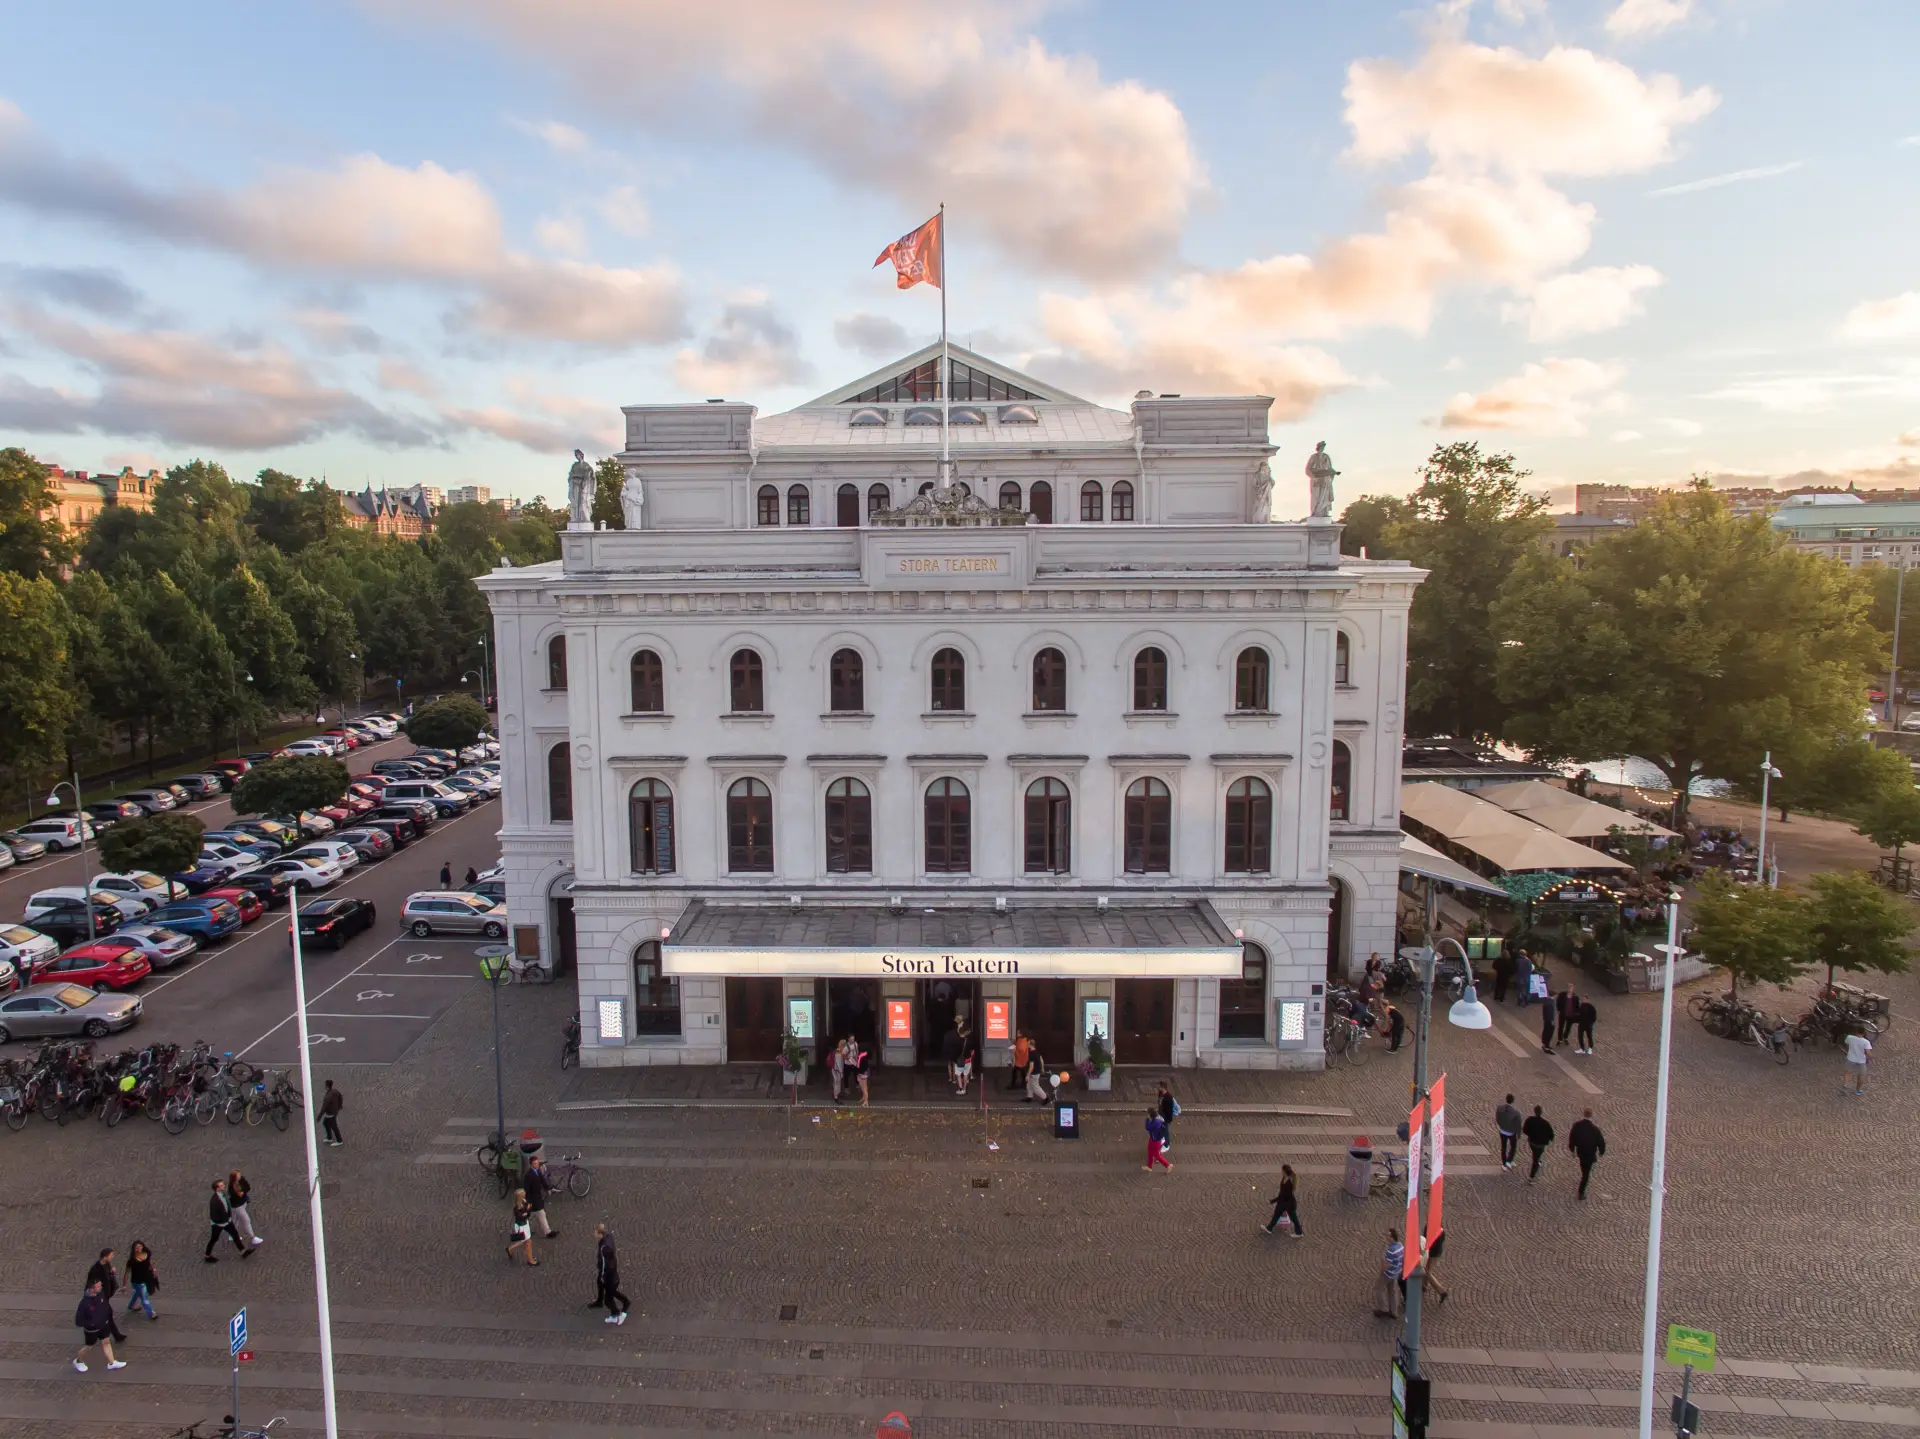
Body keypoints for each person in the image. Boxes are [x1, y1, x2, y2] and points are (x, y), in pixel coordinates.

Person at [73, 1281, 124, 1373]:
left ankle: (111, 1363)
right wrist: (92, 1324)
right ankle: (78, 1361)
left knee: (106, 1342)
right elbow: (78, 1321)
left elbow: (105, 1305)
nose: (101, 1287)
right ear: (92, 1289)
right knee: (89, 1347)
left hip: (103, 1325)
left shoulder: (100, 1294)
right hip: (92, 1330)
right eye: (98, 1286)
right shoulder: (85, 1303)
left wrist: (107, 1317)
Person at [85, 1248, 128, 1343]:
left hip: (106, 1295)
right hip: (100, 1297)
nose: (112, 1257)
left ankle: (112, 1335)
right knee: (108, 1314)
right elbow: (90, 1285)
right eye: (111, 1255)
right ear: (105, 1256)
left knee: (107, 1314)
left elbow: (108, 1278)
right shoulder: (95, 1269)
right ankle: (114, 1335)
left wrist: (112, 1273)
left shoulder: (107, 1265)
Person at [204, 1179, 249, 1263]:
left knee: (235, 1235)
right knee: (214, 1239)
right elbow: (214, 1215)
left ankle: (243, 1251)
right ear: (217, 1188)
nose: (224, 1186)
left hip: (227, 1221)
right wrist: (223, 1221)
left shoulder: (222, 1195)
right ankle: (207, 1255)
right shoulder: (214, 1201)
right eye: (221, 1185)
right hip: (219, 1224)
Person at [1568, 1108, 1607, 1200]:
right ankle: (1581, 1192)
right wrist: (1601, 1152)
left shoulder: (1576, 1126)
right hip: (1590, 1154)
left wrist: (1572, 1150)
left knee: (1584, 1168)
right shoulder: (1595, 1130)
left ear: (1584, 1114)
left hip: (1581, 1152)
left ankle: (1583, 1180)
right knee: (1586, 1174)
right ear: (1591, 1116)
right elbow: (1601, 1142)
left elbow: (1572, 1138)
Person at [595, 1224, 630, 1325]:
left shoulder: (605, 1248)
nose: (594, 1234)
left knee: (608, 1298)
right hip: (612, 1275)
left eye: (596, 1233)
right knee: (612, 1293)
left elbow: (605, 1263)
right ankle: (619, 1309)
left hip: (609, 1276)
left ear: (600, 1234)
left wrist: (602, 1275)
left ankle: (617, 1313)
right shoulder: (608, 1236)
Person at [523, 1155, 559, 1240]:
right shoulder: (528, 1175)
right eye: (535, 1163)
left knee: (538, 1215)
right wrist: (526, 1199)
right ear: (531, 1165)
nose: (537, 1164)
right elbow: (526, 1189)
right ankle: (547, 1232)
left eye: (537, 1163)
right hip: (532, 1200)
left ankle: (546, 1232)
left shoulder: (537, 1171)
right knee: (534, 1215)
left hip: (537, 1199)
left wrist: (548, 1188)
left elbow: (543, 1181)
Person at [1371, 1230, 1405, 1318]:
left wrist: (1381, 1273)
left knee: (1378, 1289)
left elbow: (1387, 1264)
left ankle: (1383, 1309)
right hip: (1396, 1273)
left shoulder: (1391, 1250)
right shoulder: (1401, 1246)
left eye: (1388, 1236)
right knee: (1392, 1291)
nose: (1387, 1238)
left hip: (1388, 1274)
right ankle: (1394, 1312)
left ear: (1392, 1238)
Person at [1263, 1165, 1302, 1238]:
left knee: (1294, 1218)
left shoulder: (1289, 1183)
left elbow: (1284, 1195)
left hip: (1288, 1204)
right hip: (1284, 1202)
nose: (1281, 1172)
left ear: (1284, 1171)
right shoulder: (1285, 1178)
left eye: (1282, 1170)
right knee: (1277, 1215)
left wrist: (1273, 1200)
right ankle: (1269, 1228)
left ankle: (1299, 1232)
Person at [228, 1170, 263, 1250]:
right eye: (238, 1175)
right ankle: (253, 1237)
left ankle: (232, 1235)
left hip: (240, 1204)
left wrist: (243, 1182)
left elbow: (247, 1188)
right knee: (246, 1220)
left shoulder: (238, 1183)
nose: (240, 1175)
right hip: (238, 1206)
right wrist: (244, 1187)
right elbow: (242, 1193)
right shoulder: (234, 1187)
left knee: (235, 1220)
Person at [125, 1241, 158, 1321]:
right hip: (137, 1282)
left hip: (145, 1279)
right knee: (144, 1298)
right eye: (136, 1247)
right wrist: (124, 1285)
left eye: (140, 1246)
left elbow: (149, 1262)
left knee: (137, 1293)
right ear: (134, 1249)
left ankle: (131, 1306)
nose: (139, 1249)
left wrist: (153, 1270)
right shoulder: (131, 1261)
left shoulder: (147, 1254)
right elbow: (126, 1273)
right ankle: (151, 1313)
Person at [1521, 1105, 1555, 1184]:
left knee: (1536, 1154)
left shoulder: (1529, 1120)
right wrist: (1550, 1139)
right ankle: (1531, 1177)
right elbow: (1551, 1135)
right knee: (1536, 1159)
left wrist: (1530, 1135)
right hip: (1540, 1144)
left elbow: (1525, 1130)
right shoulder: (1545, 1123)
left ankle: (1537, 1160)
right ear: (1541, 1112)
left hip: (1532, 1142)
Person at [506, 1189, 537, 1266]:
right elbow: (522, 1217)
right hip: (521, 1226)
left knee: (524, 1241)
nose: (525, 1193)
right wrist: (527, 1210)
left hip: (525, 1224)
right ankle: (530, 1260)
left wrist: (527, 1211)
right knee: (528, 1242)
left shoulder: (524, 1201)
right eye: (523, 1193)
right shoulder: (516, 1208)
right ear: (520, 1196)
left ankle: (510, 1249)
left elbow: (527, 1213)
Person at [1494, 1094, 1523, 1172]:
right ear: (1513, 1101)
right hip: (1511, 1133)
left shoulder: (1499, 1108)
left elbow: (1497, 1118)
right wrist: (1519, 1134)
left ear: (1506, 1099)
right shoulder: (1516, 1113)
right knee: (1513, 1147)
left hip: (1502, 1131)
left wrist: (1500, 1125)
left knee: (1503, 1148)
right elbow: (1518, 1125)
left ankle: (1504, 1164)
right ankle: (1509, 1161)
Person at [1421, 1227, 1449, 1306]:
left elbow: (1425, 1241)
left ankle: (1442, 1291)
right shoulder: (1440, 1228)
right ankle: (1424, 1286)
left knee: (1427, 1272)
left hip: (1431, 1253)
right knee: (1426, 1269)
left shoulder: (1428, 1228)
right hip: (1437, 1253)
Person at [1843, 1031, 1873, 1095]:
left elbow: (1847, 1044)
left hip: (1850, 1058)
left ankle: (1845, 1086)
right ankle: (1858, 1090)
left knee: (1848, 1072)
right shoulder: (1866, 1042)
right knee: (1861, 1075)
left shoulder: (1849, 1037)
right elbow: (1868, 1052)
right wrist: (1870, 1057)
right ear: (1863, 1033)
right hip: (1861, 1061)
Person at [1143, 1107, 1173, 1172]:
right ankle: (1149, 1166)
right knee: (1150, 1151)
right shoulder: (1156, 1119)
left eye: (1148, 1114)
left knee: (1156, 1155)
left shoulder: (1156, 1122)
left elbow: (1148, 1127)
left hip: (1156, 1141)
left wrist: (1147, 1120)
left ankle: (1168, 1165)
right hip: (1153, 1138)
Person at [941, 1019, 964, 1094]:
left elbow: (944, 1043)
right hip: (954, 1051)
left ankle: (950, 1078)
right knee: (954, 1064)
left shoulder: (947, 1034)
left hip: (948, 1050)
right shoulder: (957, 1034)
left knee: (949, 1064)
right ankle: (954, 1078)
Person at [319, 1079, 344, 1145]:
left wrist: (319, 1117)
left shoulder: (328, 1097)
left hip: (330, 1113)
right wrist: (340, 1106)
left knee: (333, 1126)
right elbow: (340, 1097)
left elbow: (324, 1108)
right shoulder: (335, 1091)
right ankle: (329, 1138)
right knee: (326, 1123)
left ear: (327, 1086)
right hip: (335, 1111)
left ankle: (339, 1140)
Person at [955, 1022, 976, 1096]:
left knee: (958, 1074)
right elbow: (972, 1050)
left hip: (959, 1061)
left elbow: (955, 1052)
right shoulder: (969, 1040)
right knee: (966, 1074)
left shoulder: (957, 1041)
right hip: (968, 1060)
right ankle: (964, 1088)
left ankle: (960, 1089)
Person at [1156, 1083, 1178, 1152]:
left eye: (1159, 1087)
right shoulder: (1161, 1094)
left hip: (1165, 1117)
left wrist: (1168, 1120)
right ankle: (1162, 1138)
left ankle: (1166, 1145)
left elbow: (1169, 1111)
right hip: (1161, 1115)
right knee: (1161, 1129)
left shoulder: (1168, 1098)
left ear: (1163, 1088)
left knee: (1165, 1131)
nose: (1158, 1089)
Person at [1539, 987, 1557, 1054]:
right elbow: (1550, 1013)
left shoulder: (1547, 1001)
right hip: (1549, 1020)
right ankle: (1546, 1046)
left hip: (1546, 1020)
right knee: (1549, 1033)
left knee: (1546, 1031)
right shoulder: (1550, 1003)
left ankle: (1544, 1044)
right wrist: (1552, 1021)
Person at [855, 1040, 872, 1108]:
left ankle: (866, 1101)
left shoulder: (863, 1056)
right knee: (864, 1087)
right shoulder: (864, 1054)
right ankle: (864, 1098)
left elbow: (862, 1066)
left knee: (864, 1087)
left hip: (862, 1073)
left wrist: (859, 1071)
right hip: (863, 1073)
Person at [829, 1037, 846, 1103]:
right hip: (837, 1070)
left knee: (836, 1083)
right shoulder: (839, 1053)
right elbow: (839, 1064)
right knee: (837, 1083)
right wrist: (841, 1072)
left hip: (834, 1069)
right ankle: (836, 1097)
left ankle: (835, 1095)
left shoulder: (837, 1051)